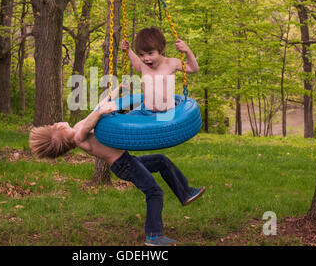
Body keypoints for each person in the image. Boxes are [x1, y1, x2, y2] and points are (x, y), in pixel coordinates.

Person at [29, 86, 206, 246]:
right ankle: (153, 236)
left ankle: (185, 193)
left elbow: (96, 110)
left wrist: (115, 94)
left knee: (161, 160)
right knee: (154, 192)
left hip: (127, 160)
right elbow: (93, 119)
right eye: (55, 126)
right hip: (124, 165)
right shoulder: (78, 138)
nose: (57, 123)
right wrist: (101, 112)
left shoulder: (77, 127)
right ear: (59, 136)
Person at [121, 27, 199, 112]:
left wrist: (187, 51)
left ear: (161, 50)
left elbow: (193, 68)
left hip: (167, 112)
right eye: (141, 54)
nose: (145, 58)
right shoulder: (143, 65)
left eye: (150, 53)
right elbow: (135, 60)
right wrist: (128, 50)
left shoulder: (171, 63)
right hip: (146, 111)